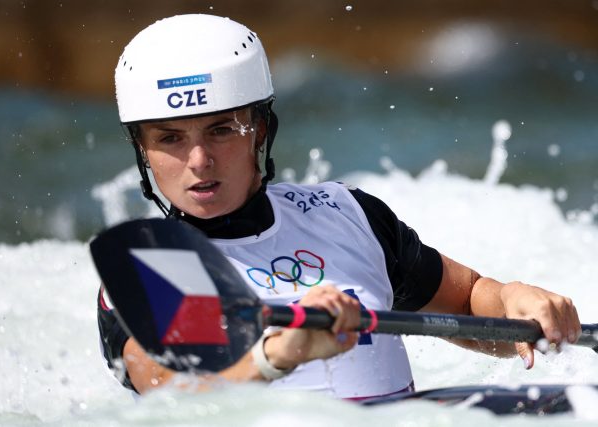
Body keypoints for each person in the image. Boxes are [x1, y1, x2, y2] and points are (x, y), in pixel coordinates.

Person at [97, 14, 581, 400]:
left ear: (260, 130)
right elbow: (175, 392)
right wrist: (281, 354)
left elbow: (469, 302)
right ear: (143, 150)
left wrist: (517, 303)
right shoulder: (149, 263)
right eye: (170, 139)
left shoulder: (344, 215)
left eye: (222, 129)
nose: (198, 161)